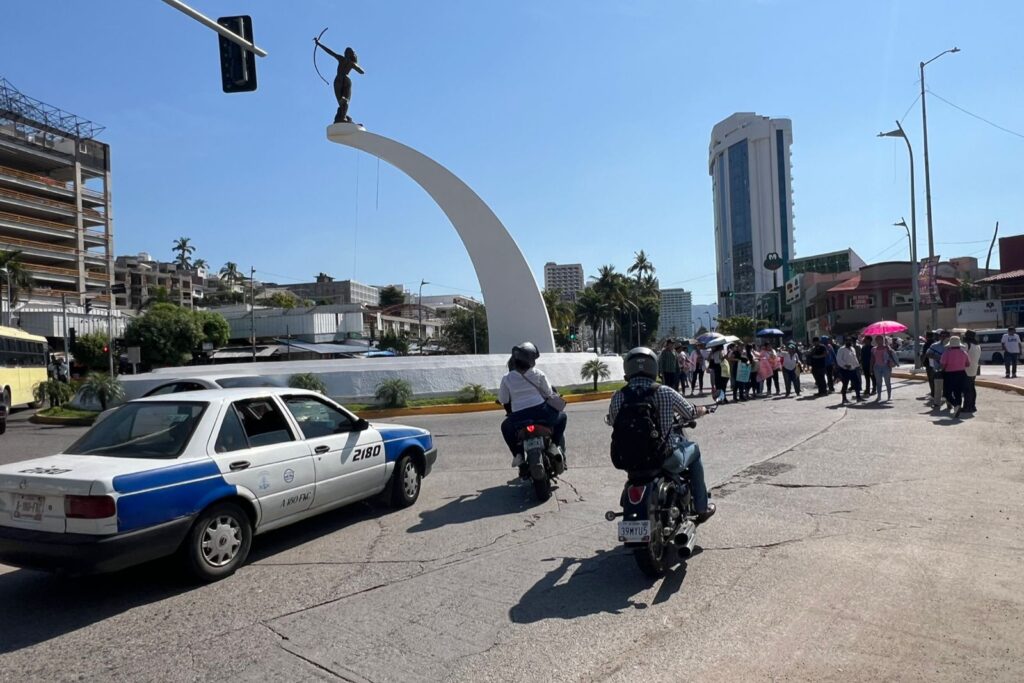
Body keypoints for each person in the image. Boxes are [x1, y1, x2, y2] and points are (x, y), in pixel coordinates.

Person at [607, 347, 715, 522]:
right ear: (653, 367)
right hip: (663, 456)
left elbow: (612, 421)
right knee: (694, 450)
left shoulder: (619, 396)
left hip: (629, 459)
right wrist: (703, 409)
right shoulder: (664, 391)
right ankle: (702, 507)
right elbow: (689, 412)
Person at [498, 342, 567, 467]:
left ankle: (518, 455)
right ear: (530, 360)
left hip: (518, 418)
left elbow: (504, 399)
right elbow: (548, 393)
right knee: (563, 417)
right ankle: (554, 445)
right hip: (542, 413)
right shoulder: (538, 374)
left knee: (505, 427)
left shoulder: (506, 378)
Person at [940, 335, 971, 418]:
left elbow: (943, 365)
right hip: (961, 374)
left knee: (947, 393)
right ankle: (957, 408)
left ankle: (955, 405)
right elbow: (968, 364)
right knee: (958, 392)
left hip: (949, 374)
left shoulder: (946, 353)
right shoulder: (964, 353)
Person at [926, 330, 950, 410]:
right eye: (942, 336)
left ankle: (949, 403)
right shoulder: (934, 345)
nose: (943, 337)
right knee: (938, 388)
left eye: (945, 336)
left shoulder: (952, 346)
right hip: (938, 370)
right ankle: (937, 403)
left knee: (948, 388)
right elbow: (928, 354)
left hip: (949, 370)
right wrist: (938, 357)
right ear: (939, 337)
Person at [871, 335, 898, 401]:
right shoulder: (873, 349)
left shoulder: (887, 348)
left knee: (887, 382)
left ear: (883, 340)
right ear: (876, 341)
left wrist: (889, 350)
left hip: (886, 366)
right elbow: (872, 359)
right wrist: (871, 368)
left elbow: (892, 356)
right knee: (878, 382)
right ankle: (879, 396)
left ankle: (889, 396)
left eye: (880, 339)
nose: (878, 341)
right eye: (877, 339)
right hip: (877, 367)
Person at [837, 337, 864, 404]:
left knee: (857, 383)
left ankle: (858, 397)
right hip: (845, 370)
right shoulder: (841, 349)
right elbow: (839, 359)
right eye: (847, 341)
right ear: (845, 341)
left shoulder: (852, 349)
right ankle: (844, 399)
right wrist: (845, 365)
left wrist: (858, 366)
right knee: (845, 385)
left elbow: (854, 358)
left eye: (850, 341)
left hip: (853, 369)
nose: (849, 342)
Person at [963, 330, 981, 413]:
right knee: (972, 388)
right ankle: (972, 406)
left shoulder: (967, 344)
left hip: (967, 369)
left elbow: (962, 355)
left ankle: (967, 407)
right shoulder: (977, 345)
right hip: (974, 369)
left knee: (967, 389)